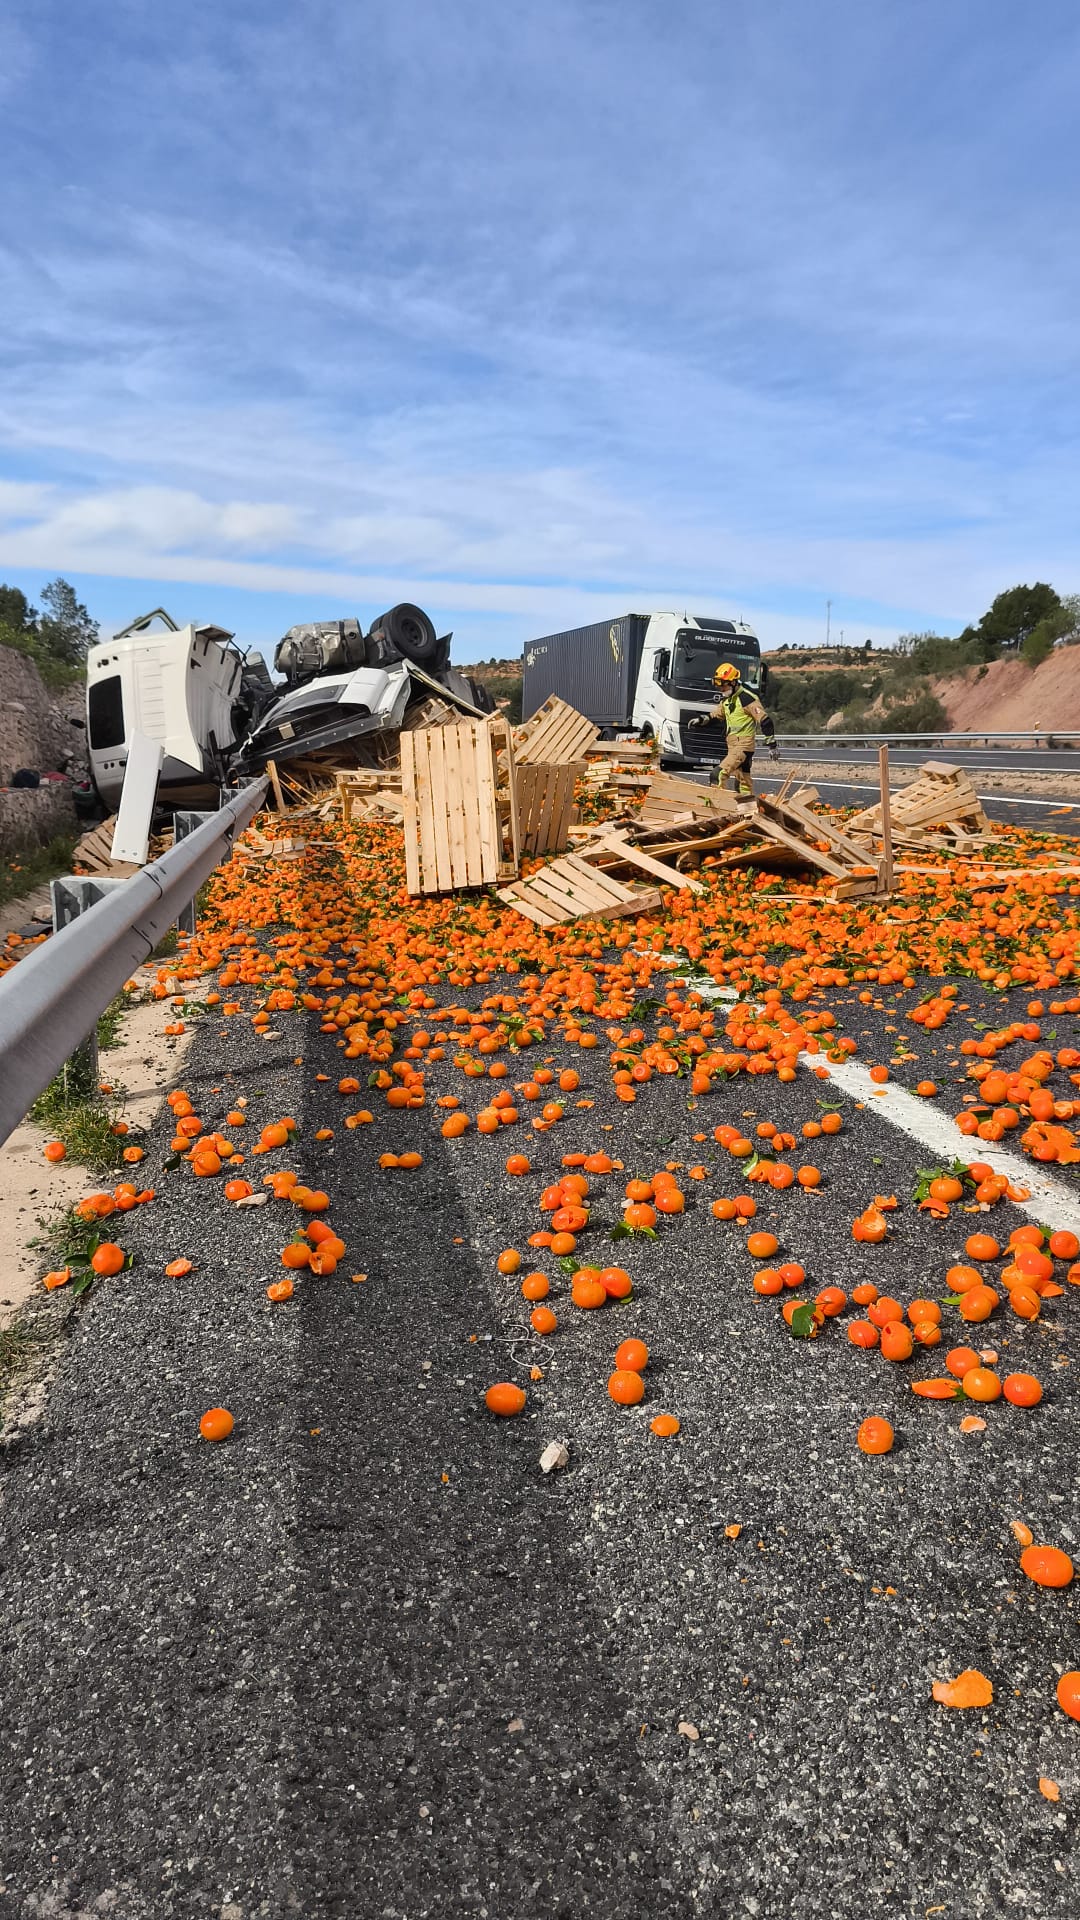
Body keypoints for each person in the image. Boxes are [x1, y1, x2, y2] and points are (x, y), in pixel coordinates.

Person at [695, 662, 776, 796]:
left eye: (723, 686)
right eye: (719, 686)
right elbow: (716, 716)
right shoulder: (727, 700)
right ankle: (748, 812)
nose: (721, 689)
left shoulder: (747, 699)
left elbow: (765, 720)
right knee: (743, 784)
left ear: (733, 682)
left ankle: (717, 807)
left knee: (717, 775)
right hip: (732, 746)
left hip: (743, 747)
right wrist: (702, 720)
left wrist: (772, 745)